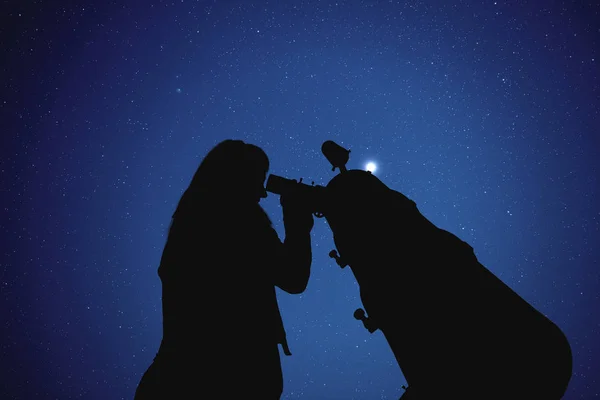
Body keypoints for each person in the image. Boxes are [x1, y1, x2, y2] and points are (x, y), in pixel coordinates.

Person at [134, 139, 314, 399]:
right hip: (232, 375)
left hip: (175, 376)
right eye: (258, 180)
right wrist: (297, 221)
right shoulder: (240, 220)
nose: (263, 193)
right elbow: (293, 277)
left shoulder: (191, 220)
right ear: (239, 176)